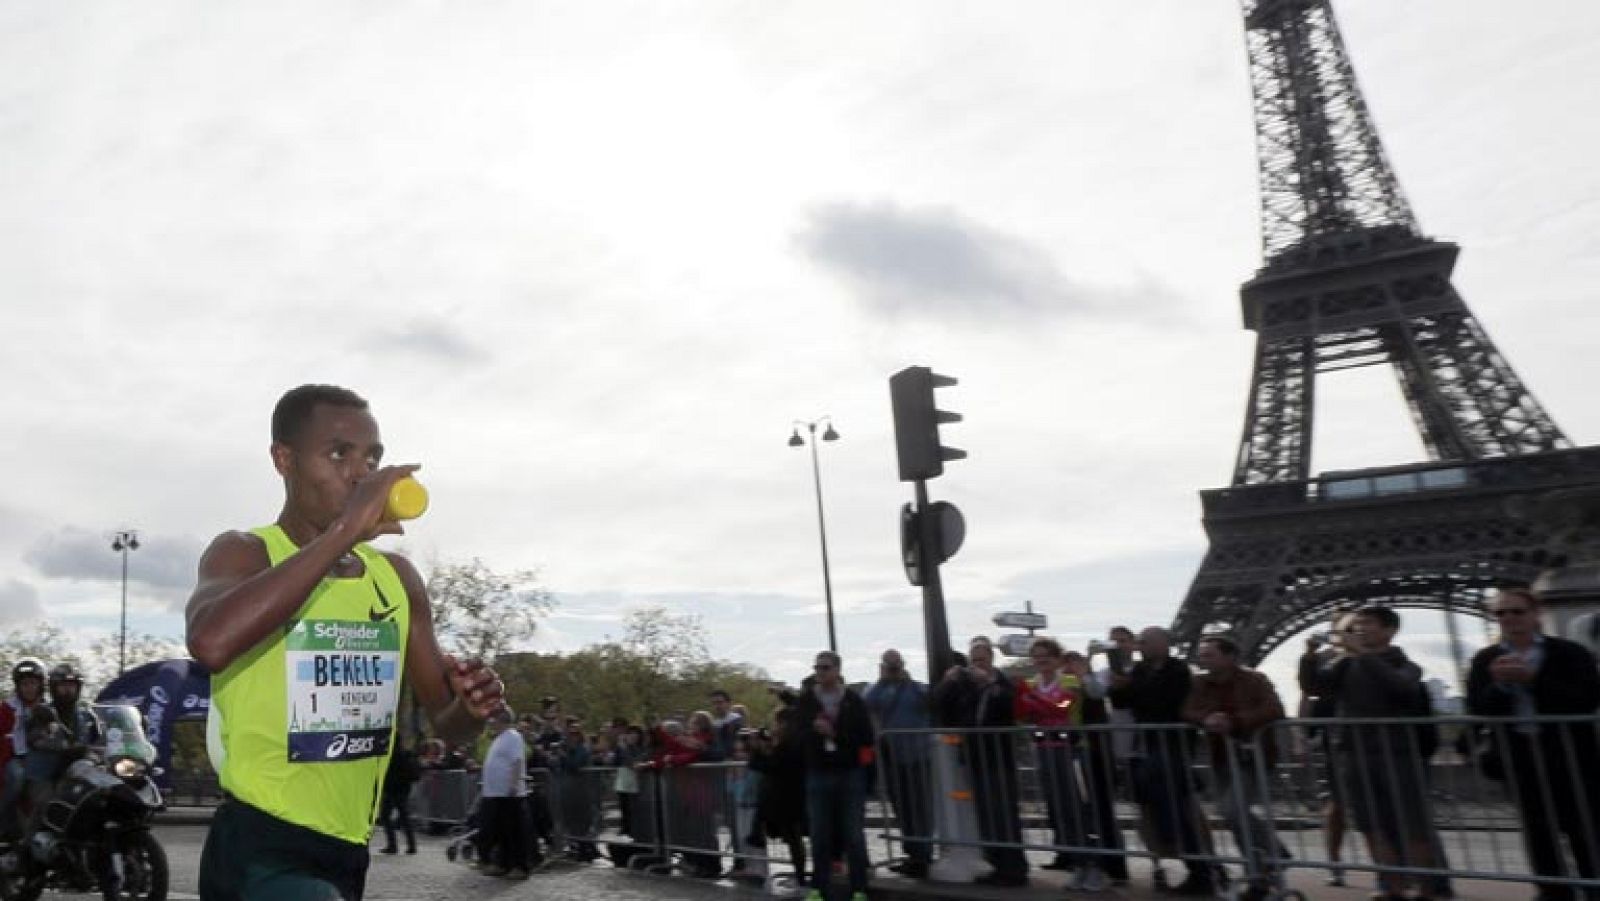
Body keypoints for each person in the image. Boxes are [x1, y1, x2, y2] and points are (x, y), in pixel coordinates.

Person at [184, 384, 503, 901]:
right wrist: (345, 531)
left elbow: (450, 723)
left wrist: (472, 707)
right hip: (260, 846)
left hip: (349, 849)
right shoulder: (245, 554)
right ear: (283, 459)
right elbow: (210, 642)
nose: (361, 472)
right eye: (339, 454)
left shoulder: (397, 579)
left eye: (372, 457)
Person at [1467, 587, 1600, 901]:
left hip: (1569, 753)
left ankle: (1594, 887)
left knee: (1584, 826)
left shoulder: (1570, 653)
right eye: (1501, 613)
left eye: (1517, 611)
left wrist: (1532, 680)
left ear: (1536, 613)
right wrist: (1499, 687)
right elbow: (1479, 709)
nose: (1509, 618)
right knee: (1537, 830)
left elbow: (1585, 701)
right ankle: (1552, 890)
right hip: (1520, 753)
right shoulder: (1485, 659)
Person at [1303, 605, 1444, 900]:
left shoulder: (1404, 663)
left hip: (1397, 753)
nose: (1359, 629)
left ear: (1389, 630)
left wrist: (1364, 655)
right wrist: (1309, 656)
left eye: (1367, 624)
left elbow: (1402, 688)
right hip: (1354, 752)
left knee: (1412, 823)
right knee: (1370, 824)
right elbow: (1316, 687)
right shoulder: (1344, 663)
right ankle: (1392, 888)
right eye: (1356, 625)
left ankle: (1426, 889)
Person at [1109, 627, 1216, 895]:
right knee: (1156, 807)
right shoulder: (1140, 671)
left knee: (1180, 808)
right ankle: (1187, 862)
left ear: (1162, 643)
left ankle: (1202, 868)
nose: (1139, 646)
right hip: (1147, 748)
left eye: (1144, 642)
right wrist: (1118, 685)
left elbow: (1163, 704)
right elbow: (1124, 703)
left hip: (1169, 748)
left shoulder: (1178, 671)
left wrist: (1132, 688)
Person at [1183, 636, 1287, 901]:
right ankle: (1261, 873)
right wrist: (1207, 718)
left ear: (1229, 657)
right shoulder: (1198, 683)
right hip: (1221, 757)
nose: (1202, 659)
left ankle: (1270, 859)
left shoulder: (1256, 680)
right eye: (1201, 654)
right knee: (1235, 817)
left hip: (1253, 757)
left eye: (1209, 655)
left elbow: (1274, 709)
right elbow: (1186, 711)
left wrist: (1235, 721)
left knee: (1233, 811)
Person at [933, 637, 1028, 888]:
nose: (977, 665)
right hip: (975, 757)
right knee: (985, 814)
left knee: (1003, 814)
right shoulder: (965, 686)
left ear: (991, 659)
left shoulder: (1003, 682)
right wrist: (948, 681)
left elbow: (1011, 706)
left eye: (982, 660)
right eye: (974, 661)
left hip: (999, 758)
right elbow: (938, 706)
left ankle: (1014, 867)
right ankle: (995, 864)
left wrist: (989, 683)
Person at [793, 650, 875, 901]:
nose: (820, 672)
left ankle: (859, 889)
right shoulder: (807, 700)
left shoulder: (853, 700)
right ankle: (819, 888)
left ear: (838, 670)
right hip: (818, 772)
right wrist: (813, 734)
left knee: (853, 833)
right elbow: (797, 735)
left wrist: (834, 733)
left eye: (825, 667)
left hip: (849, 772)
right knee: (819, 833)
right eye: (817, 667)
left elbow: (866, 737)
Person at [1015, 639, 1097, 886]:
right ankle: (1073, 858)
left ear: (1057, 658)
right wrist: (1030, 703)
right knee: (1058, 806)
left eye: (1046, 656)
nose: (1041, 661)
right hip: (1044, 749)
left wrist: (1032, 701)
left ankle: (1090, 863)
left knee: (1076, 805)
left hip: (1070, 750)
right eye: (1037, 657)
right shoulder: (1031, 684)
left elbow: (1061, 706)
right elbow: (1021, 716)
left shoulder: (1068, 680)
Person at [864, 648, 934, 879]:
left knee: (919, 807)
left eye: (896, 664)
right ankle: (911, 852)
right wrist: (883, 679)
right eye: (889, 665)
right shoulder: (880, 690)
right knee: (902, 807)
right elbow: (867, 702)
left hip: (918, 756)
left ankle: (922, 854)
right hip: (894, 757)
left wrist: (905, 680)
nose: (894, 669)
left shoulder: (915, 688)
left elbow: (929, 699)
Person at [1298, 610, 1355, 887]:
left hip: (1368, 739)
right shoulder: (1324, 660)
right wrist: (1301, 734)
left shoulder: (1381, 656)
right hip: (1336, 739)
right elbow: (1308, 693)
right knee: (1337, 805)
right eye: (1343, 627)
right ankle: (1335, 863)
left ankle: (1393, 872)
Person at [20, 663, 103, 847]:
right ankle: (26, 851)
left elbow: (102, 740)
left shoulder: (87, 716)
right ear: (54, 688)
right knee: (48, 804)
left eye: (72, 685)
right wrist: (62, 746)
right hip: (45, 774)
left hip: (77, 774)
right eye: (63, 686)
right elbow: (35, 739)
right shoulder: (42, 712)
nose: (67, 690)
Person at [478, 707, 531, 879]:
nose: (492, 722)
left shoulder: (513, 737)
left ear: (502, 719)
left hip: (509, 794)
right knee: (499, 831)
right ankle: (503, 863)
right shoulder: (499, 738)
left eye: (494, 718)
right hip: (495, 793)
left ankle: (520, 866)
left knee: (514, 831)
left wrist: (514, 784)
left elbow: (517, 761)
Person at [0, 657, 45, 841]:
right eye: (25, 684)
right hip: (13, 757)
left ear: (41, 685)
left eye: (33, 683)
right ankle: (3, 821)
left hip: (42, 757)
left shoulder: (48, 708)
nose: (29, 688)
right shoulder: (7, 708)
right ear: (18, 686)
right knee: (17, 776)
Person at [377, 740, 420, 855]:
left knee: (386, 816)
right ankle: (411, 846)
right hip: (402, 790)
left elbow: (389, 773)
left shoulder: (391, 755)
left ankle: (393, 845)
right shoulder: (404, 754)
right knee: (404, 818)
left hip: (392, 790)